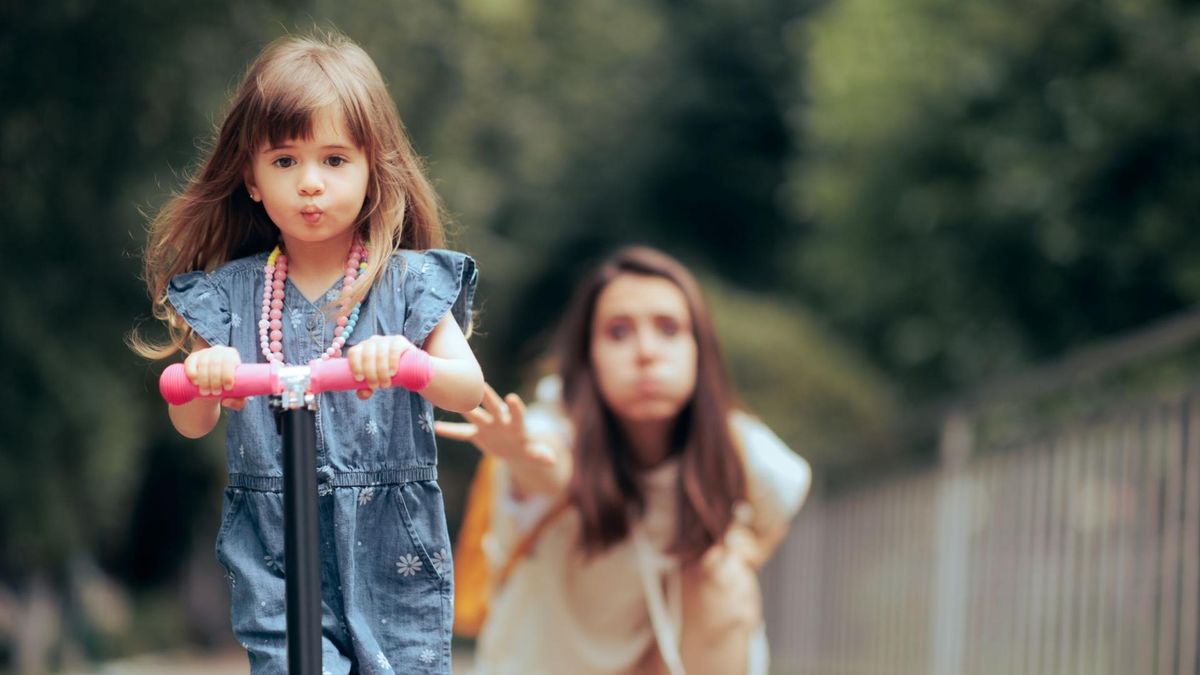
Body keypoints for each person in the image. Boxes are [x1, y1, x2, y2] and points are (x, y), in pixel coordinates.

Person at [131, 32, 484, 674]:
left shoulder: (407, 284)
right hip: (274, 541)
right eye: (286, 162)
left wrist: (411, 363)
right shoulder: (232, 296)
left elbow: (467, 387)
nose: (311, 183)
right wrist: (207, 378)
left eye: (335, 160)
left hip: (388, 536)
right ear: (253, 180)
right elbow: (191, 420)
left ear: (373, 169)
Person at [436, 246, 810, 675]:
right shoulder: (553, 428)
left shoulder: (735, 444)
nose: (646, 351)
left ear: (698, 349)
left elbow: (789, 491)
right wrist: (521, 455)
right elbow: (551, 470)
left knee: (723, 574)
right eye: (618, 332)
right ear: (589, 356)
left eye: (669, 329)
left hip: (668, 662)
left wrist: (738, 554)